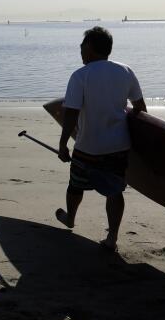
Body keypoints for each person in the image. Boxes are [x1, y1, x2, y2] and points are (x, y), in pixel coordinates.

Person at [54, 26, 148, 252]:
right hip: (118, 145)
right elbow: (140, 109)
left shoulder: (80, 76)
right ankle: (112, 238)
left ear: (90, 48)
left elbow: (71, 113)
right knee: (115, 190)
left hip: (88, 145)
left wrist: (63, 144)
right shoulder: (126, 71)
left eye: (82, 46)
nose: (80, 50)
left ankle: (70, 219)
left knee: (75, 185)